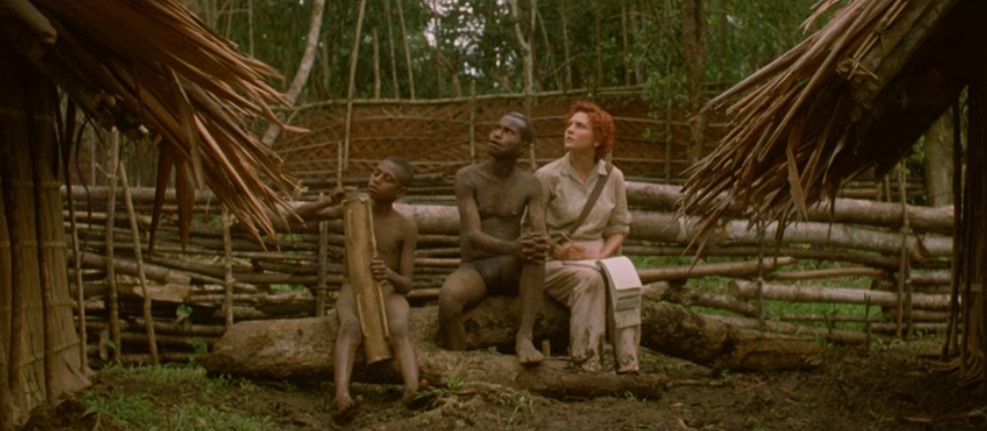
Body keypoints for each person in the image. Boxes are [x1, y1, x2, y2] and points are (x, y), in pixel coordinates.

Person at [293, 156, 420, 419]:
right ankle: (342, 395)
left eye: (388, 179)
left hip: (388, 290)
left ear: (400, 192)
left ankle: (413, 390)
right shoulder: (353, 209)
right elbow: (297, 216)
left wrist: (389, 274)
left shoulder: (405, 227)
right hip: (353, 288)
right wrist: (329, 200)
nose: (377, 180)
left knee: (398, 328)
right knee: (350, 327)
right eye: (376, 173)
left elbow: (407, 284)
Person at [437, 112, 550, 364]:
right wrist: (513, 247)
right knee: (449, 299)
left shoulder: (530, 184)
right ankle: (460, 363)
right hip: (475, 267)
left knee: (535, 253)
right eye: (496, 128)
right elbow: (473, 235)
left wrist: (538, 242)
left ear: (523, 147)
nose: (496, 134)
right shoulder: (467, 177)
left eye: (508, 132)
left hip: (510, 269)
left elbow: (540, 231)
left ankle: (524, 337)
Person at [534, 101, 636, 373]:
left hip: (598, 258)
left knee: (626, 281)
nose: (569, 130)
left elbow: (619, 227)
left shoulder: (613, 177)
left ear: (598, 138)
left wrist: (603, 255)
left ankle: (628, 365)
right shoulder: (547, 176)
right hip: (553, 261)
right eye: (569, 125)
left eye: (580, 126)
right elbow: (530, 228)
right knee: (590, 280)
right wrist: (557, 250)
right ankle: (586, 362)